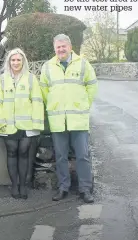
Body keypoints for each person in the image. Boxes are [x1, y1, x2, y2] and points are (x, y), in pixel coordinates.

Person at [39, 34, 98, 203]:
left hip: (78, 119)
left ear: (70, 47)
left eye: (63, 46)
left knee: (82, 156)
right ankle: (63, 187)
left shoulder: (83, 64)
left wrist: (84, 104)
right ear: (54, 49)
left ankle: (85, 189)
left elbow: (92, 85)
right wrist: (53, 105)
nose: (61, 49)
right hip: (58, 120)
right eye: (58, 47)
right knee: (61, 157)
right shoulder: (48, 67)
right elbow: (44, 91)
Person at [0, 48, 44, 199]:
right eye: (13, 60)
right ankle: (14, 185)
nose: (16, 63)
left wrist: (36, 124)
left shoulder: (31, 79)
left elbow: (37, 101)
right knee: (12, 152)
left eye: (18, 60)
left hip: (26, 125)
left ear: (23, 61)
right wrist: (0, 122)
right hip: (8, 125)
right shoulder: (2, 79)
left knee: (24, 153)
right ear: (9, 62)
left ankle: (23, 185)